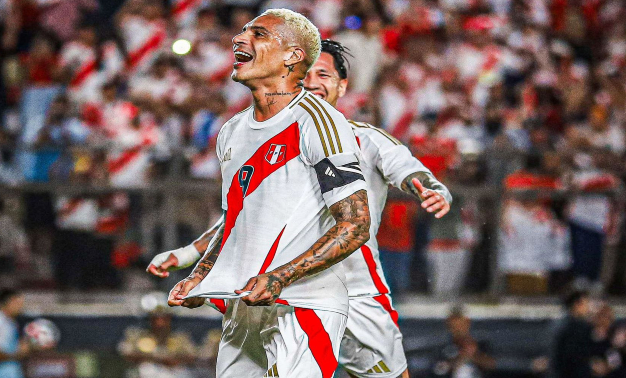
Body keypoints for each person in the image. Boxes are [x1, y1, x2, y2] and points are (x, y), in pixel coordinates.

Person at [149, 39, 452, 378]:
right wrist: (191, 254)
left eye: (323, 74)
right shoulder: (266, 141)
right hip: (278, 287)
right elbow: (240, 217)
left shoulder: (368, 139)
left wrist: (431, 188)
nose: (312, 82)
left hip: (355, 287)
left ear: (342, 86)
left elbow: (412, 172)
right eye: (305, 74)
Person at [166, 9, 372, 378]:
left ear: (293, 56)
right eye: (242, 31)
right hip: (244, 304)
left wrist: (280, 277)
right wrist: (202, 276)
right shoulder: (231, 131)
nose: (238, 39)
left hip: (304, 304)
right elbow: (234, 223)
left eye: (258, 34)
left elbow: (355, 225)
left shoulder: (318, 121)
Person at [118, 306, 197, 378]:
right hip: (146, 372)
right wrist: (157, 359)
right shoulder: (137, 336)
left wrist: (175, 360)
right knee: (146, 369)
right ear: (150, 320)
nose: (160, 323)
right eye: (156, 319)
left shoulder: (181, 338)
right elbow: (126, 353)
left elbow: (192, 356)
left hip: (174, 372)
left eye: (164, 319)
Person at [551, 290, 593, 378]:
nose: (588, 308)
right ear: (577, 305)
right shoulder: (578, 327)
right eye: (586, 304)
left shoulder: (560, 324)